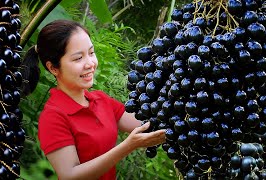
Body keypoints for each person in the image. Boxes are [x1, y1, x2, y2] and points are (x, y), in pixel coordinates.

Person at [21, 19, 166, 180]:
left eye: (91, 53)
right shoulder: (53, 117)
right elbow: (70, 175)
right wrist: (128, 146)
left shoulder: (101, 99)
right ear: (53, 68)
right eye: (78, 58)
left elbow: (147, 124)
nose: (90, 63)